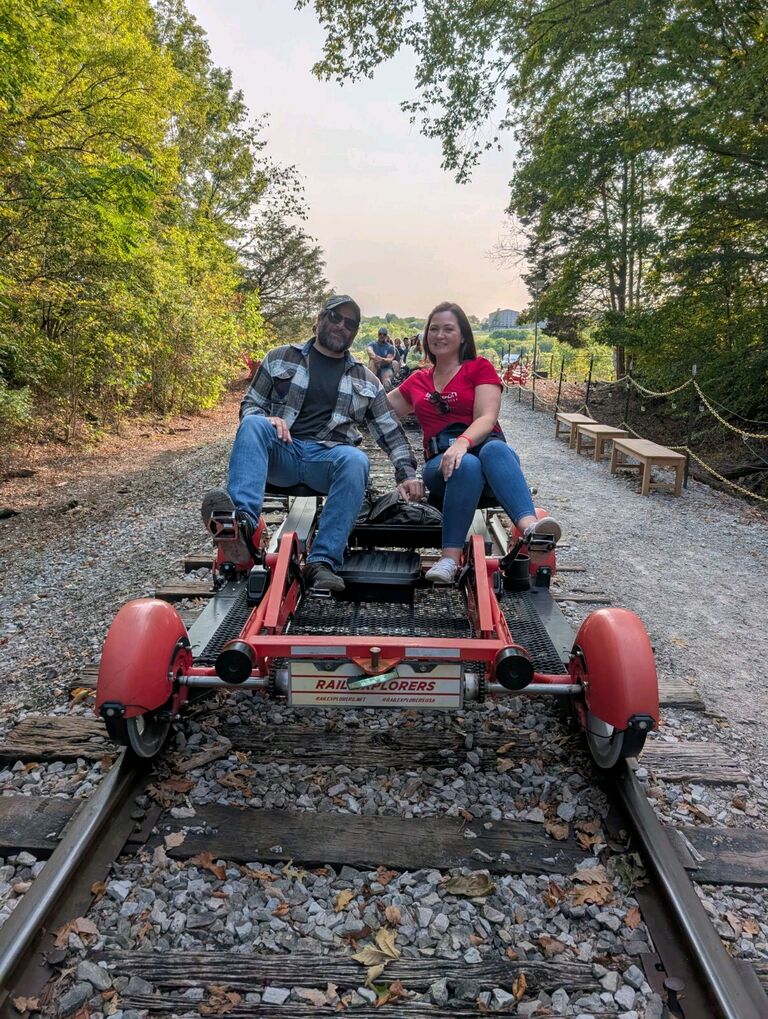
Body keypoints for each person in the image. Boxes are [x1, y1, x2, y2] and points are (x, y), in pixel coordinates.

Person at [202, 295, 424, 593]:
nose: (341, 325)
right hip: (283, 452)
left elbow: (390, 431)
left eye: (350, 323)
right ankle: (243, 527)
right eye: (335, 317)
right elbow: (251, 404)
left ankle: (322, 562)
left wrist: (407, 474)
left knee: (356, 459)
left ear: (356, 332)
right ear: (320, 318)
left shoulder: (366, 379)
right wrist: (267, 419)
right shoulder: (280, 358)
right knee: (253, 423)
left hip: (327, 460)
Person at [387, 301, 560, 584]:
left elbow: (487, 416)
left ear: (463, 336)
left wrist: (462, 442)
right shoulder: (418, 381)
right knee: (464, 466)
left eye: (448, 329)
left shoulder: (478, 368)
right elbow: (379, 409)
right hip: (441, 465)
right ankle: (449, 559)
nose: (439, 335)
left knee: (493, 449)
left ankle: (531, 531)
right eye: (434, 329)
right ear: (426, 336)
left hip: (487, 460)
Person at [367, 326, 398, 390]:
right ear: (378, 335)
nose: (382, 336)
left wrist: (381, 360)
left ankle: (386, 395)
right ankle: (371, 387)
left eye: (384, 334)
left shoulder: (391, 347)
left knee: (386, 382)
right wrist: (376, 358)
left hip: (386, 368)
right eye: (380, 334)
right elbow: (369, 351)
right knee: (372, 362)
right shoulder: (372, 344)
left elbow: (389, 359)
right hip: (374, 367)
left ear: (386, 336)